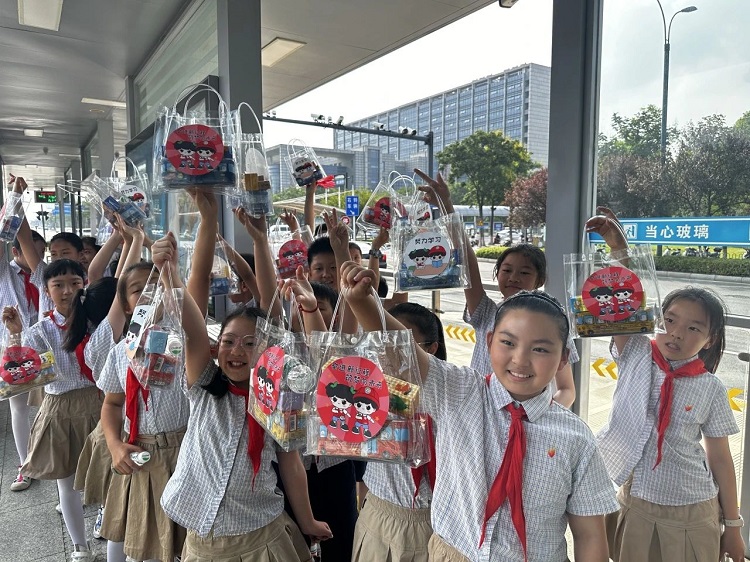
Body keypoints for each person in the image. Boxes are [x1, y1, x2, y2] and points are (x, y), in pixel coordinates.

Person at [340, 261, 618, 561]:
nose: (520, 359)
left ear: (563, 358)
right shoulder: (459, 391)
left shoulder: (576, 438)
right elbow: (402, 352)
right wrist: (363, 302)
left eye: (540, 349)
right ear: (489, 342)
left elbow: (589, 535)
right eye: (508, 342)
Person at [155, 232, 331, 561]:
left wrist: (307, 520)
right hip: (202, 540)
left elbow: (291, 465)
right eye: (229, 341)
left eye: (251, 344)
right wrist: (170, 274)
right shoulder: (204, 385)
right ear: (215, 348)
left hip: (261, 533)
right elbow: (192, 330)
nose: (237, 350)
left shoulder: (280, 401)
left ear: (269, 353)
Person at [589, 208, 745, 562]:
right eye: (669, 320)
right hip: (635, 500)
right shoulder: (635, 352)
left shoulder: (710, 387)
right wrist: (619, 249)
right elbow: (620, 302)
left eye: (693, 328)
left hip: (693, 510)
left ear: (709, 339)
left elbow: (720, 458)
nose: (675, 334)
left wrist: (734, 526)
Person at [414, 168, 576, 409]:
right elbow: (467, 261)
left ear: (540, 280)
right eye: (507, 270)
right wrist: (447, 206)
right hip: (480, 413)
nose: (513, 277)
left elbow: (567, 389)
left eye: (525, 272)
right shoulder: (486, 313)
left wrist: (543, 416)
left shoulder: (554, 323)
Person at [4, 259, 103, 562]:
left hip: (99, 403)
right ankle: (79, 546)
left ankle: (106, 520)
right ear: (46, 291)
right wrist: (16, 334)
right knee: (67, 481)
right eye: (58, 285)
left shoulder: (96, 323)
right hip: (59, 408)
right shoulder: (40, 330)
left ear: (84, 285)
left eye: (75, 283)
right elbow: (21, 375)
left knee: (107, 473)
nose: (67, 290)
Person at [352, 302, 444, 562]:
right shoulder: (369, 392)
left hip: (432, 523)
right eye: (385, 344)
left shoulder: (448, 396)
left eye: (403, 345)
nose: (390, 353)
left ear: (432, 348)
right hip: (377, 517)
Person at [0, 224, 46, 492]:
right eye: (31, 252)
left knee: (51, 405)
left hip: (45, 346)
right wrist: (9, 217)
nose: (35, 258)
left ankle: (52, 460)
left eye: (40, 253)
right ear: (15, 251)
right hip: (14, 349)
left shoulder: (43, 275)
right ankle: (25, 465)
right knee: (18, 408)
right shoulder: (5, 272)